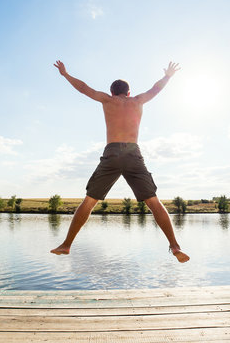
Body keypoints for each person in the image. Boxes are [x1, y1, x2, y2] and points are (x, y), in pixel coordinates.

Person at [50, 60, 189, 263]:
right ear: (129, 92)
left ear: (112, 92)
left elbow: (84, 88)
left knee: (89, 201)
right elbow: (156, 89)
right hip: (133, 153)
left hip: (112, 153)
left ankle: (66, 245)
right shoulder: (138, 101)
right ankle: (175, 246)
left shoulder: (107, 101)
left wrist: (65, 74)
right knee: (154, 202)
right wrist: (168, 76)